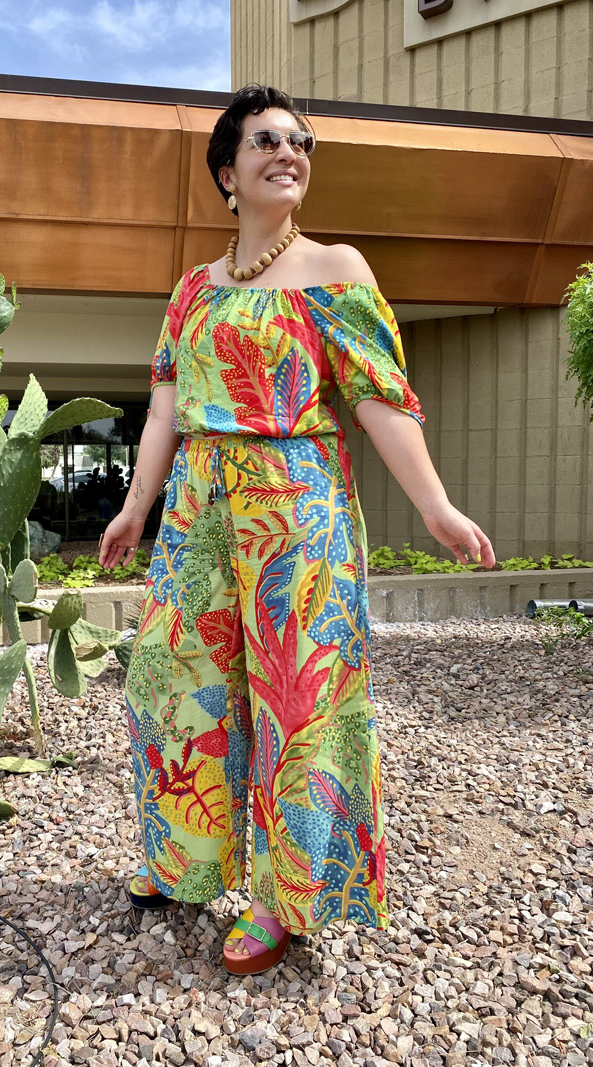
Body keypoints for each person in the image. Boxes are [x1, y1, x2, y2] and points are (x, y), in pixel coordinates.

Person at [99, 84, 495, 975]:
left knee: (298, 701)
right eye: (267, 140)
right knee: (175, 680)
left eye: (301, 142)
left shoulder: (336, 269)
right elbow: (164, 409)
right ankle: (183, 859)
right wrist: (135, 505)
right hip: (200, 504)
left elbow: (380, 401)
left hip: (296, 504)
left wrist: (435, 504)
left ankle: (286, 897)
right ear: (227, 172)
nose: (290, 152)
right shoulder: (193, 291)